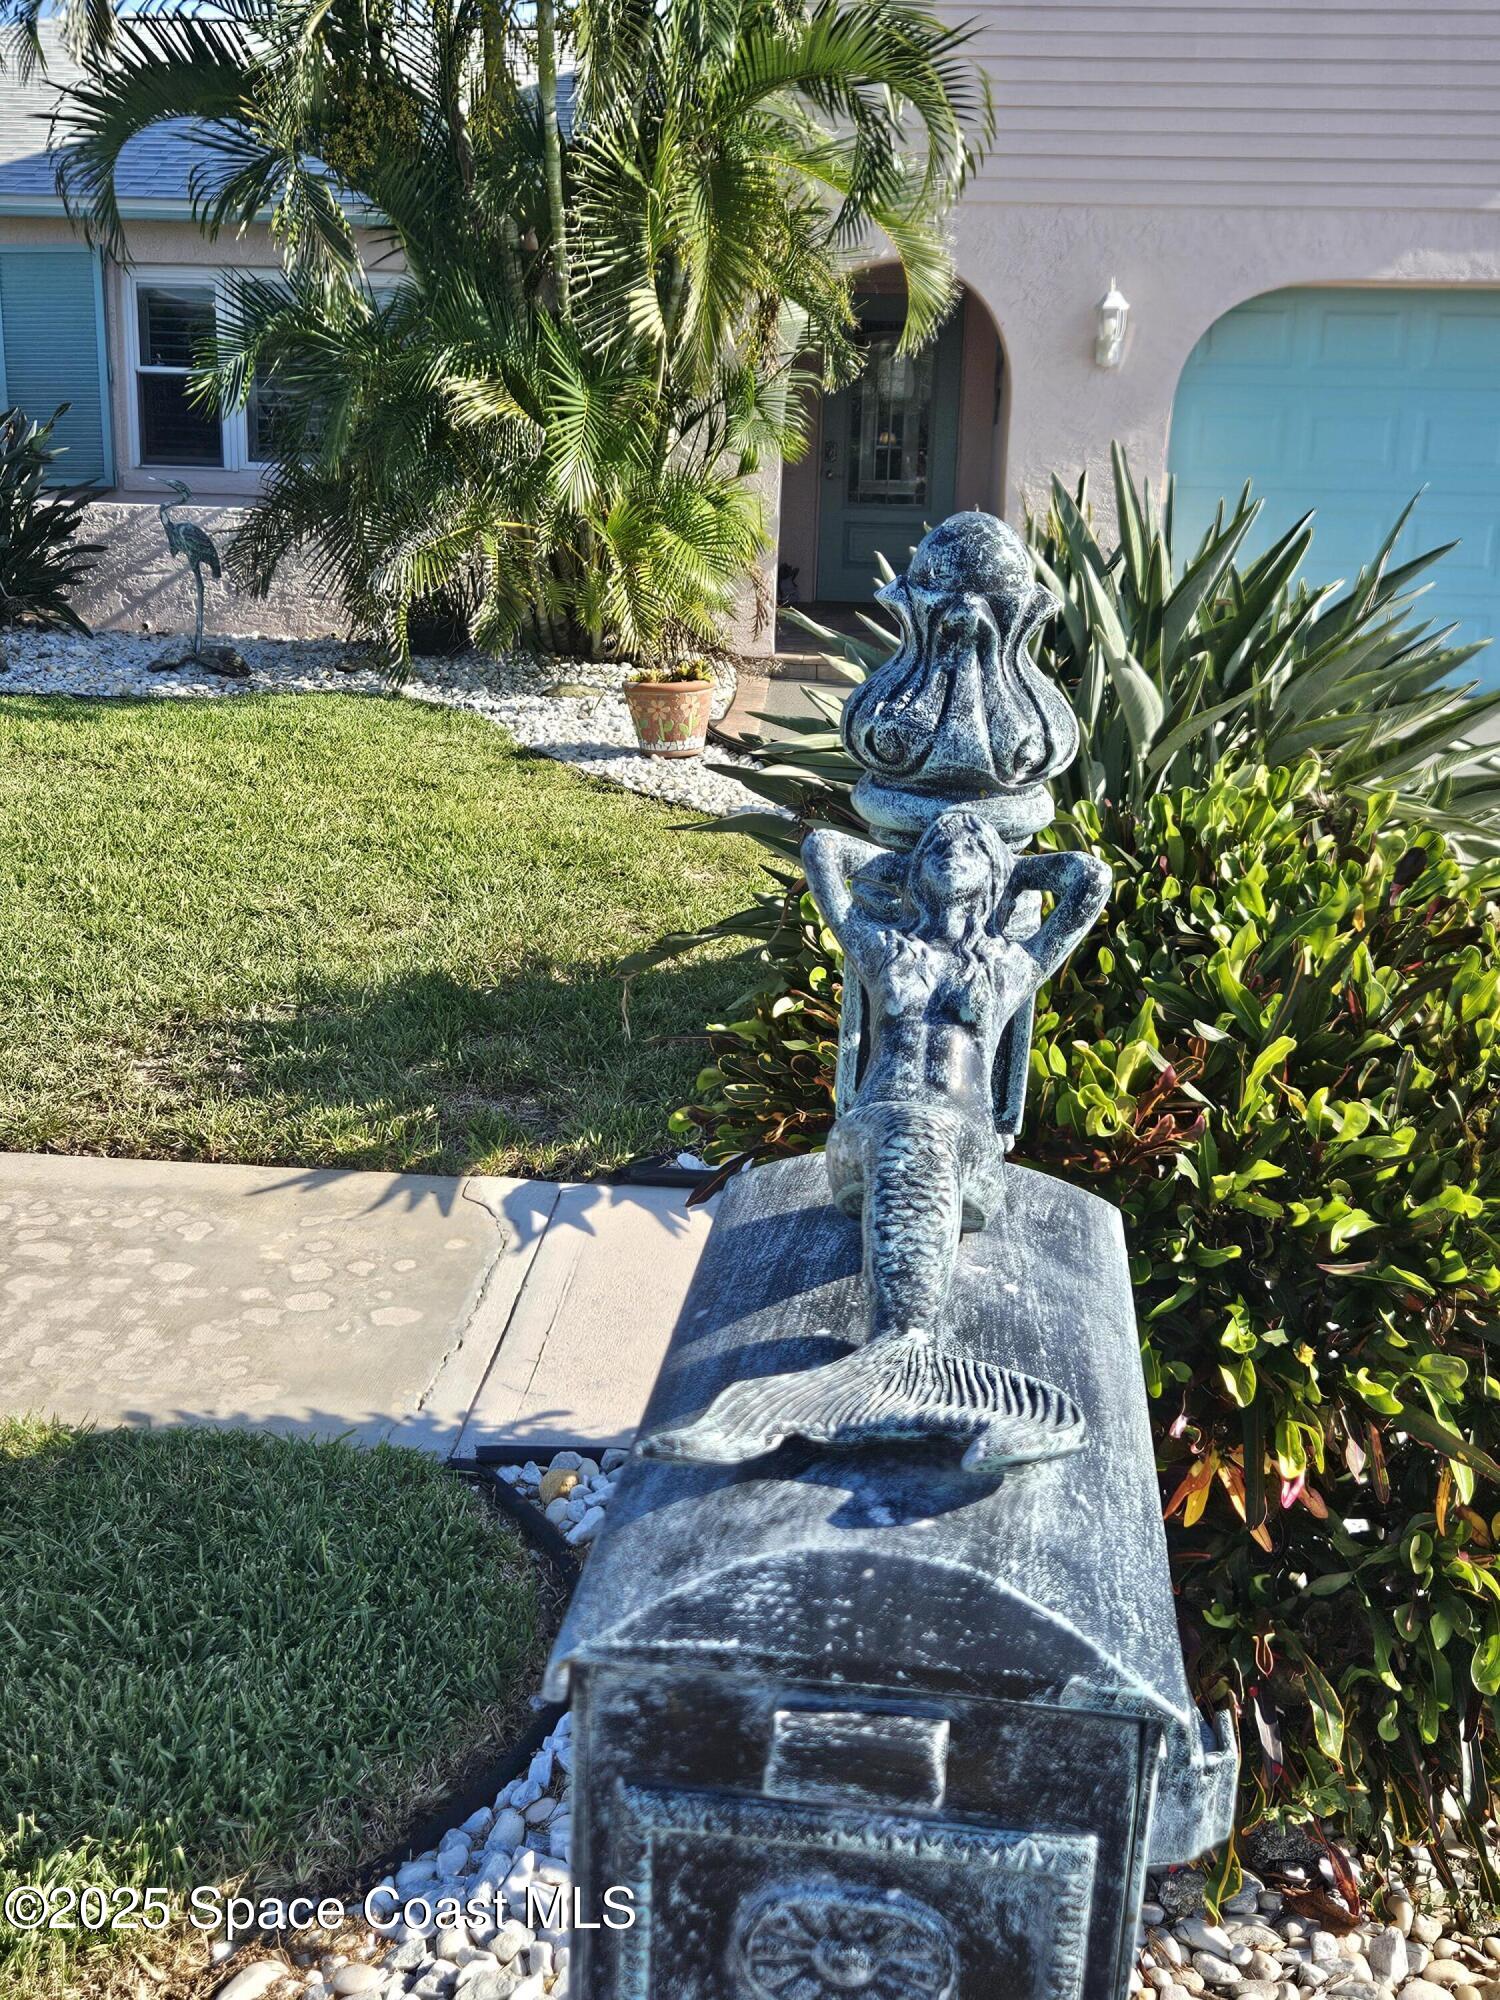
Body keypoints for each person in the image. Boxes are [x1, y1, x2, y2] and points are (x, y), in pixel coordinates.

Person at [802, 810, 1110, 1347]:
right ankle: (899, 1347)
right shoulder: (883, 951)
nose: (952, 854)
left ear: (992, 870)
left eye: (969, 849)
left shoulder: (1009, 965)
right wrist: (905, 862)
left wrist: (1012, 868)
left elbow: (1090, 879)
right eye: (939, 848)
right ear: (918, 868)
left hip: (968, 1156)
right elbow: (823, 850)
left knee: (926, 1137)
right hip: (867, 1142)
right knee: (912, 1133)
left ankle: (899, 1349)